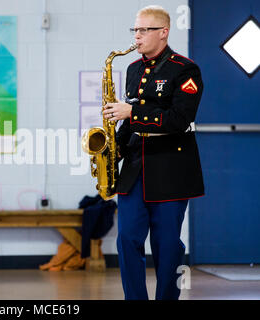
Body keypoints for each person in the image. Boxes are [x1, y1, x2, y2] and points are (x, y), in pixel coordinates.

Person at [103, 5, 204, 300]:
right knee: (127, 241)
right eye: (135, 30)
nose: (137, 36)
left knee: (168, 246)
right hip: (135, 169)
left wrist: (132, 111)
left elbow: (178, 119)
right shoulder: (134, 69)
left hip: (171, 168)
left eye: (144, 30)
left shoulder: (185, 70)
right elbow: (128, 122)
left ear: (163, 33)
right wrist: (112, 151)